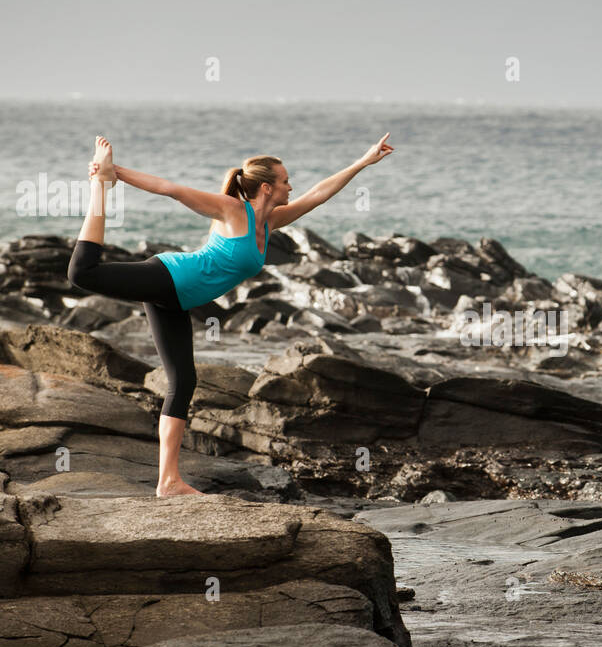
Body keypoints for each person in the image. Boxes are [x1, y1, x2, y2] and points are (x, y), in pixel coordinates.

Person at [66, 132, 394, 496]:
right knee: (82, 273)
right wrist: (113, 173)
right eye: (285, 181)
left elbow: (318, 195)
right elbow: (170, 188)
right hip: (168, 276)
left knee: (183, 382)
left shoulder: (270, 223)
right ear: (266, 188)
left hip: (176, 301)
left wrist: (363, 162)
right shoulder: (232, 210)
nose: (291, 186)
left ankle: (168, 481)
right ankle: (99, 187)